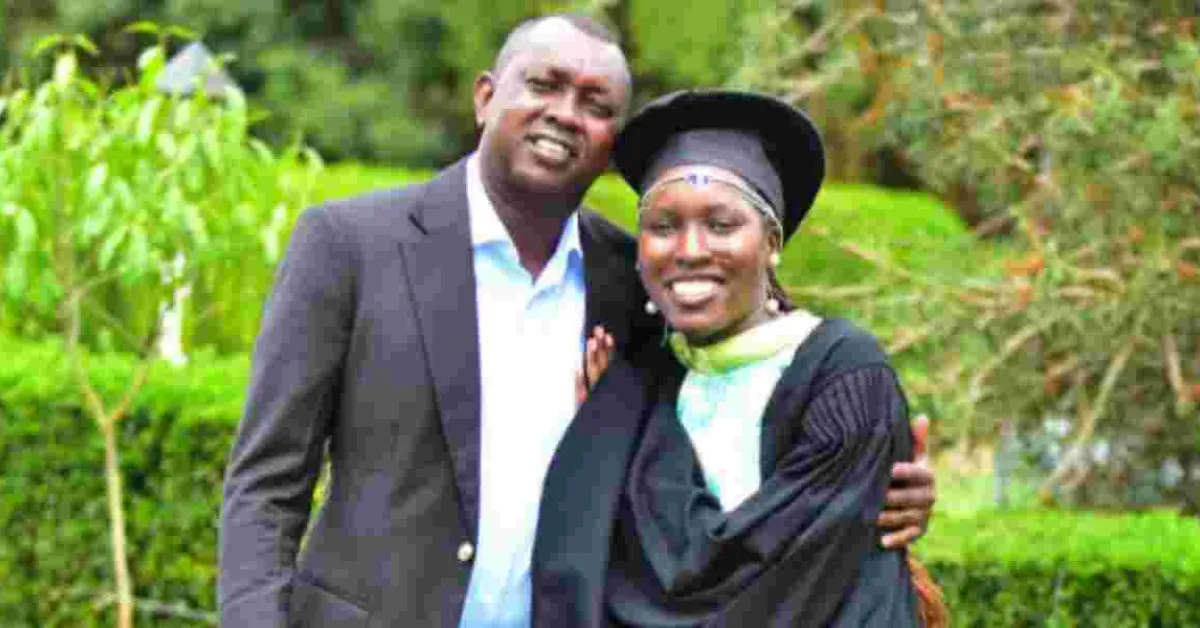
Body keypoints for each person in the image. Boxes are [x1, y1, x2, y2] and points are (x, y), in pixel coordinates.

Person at [219, 14, 936, 627]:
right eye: (544, 85)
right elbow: (266, 486)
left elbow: (712, 436)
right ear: (485, 97)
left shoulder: (636, 282)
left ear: (610, 142)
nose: (565, 113)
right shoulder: (352, 245)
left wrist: (877, 480)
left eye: (596, 104)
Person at [533, 90, 948, 626]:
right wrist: (605, 436)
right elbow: (578, 569)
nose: (689, 250)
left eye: (722, 225)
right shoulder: (636, 377)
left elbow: (784, 587)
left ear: (771, 242)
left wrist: (623, 438)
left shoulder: (844, 374)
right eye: (663, 227)